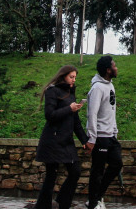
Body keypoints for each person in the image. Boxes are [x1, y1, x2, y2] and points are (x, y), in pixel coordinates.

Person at [31, 65, 89, 209]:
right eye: (71, 77)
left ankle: (62, 203)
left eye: (75, 77)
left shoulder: (70, 93)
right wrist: (69, 109)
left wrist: (84, 140)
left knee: (75, 171)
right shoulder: (52, 91)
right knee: (51, 176)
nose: (73, 80)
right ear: (63, 76)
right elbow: (49, 115)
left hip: (66, 141)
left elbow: (76, 121)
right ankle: (43, 206)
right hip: (53, 140)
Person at [85, 55, 122, 209]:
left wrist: (114, 130)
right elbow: (91, 114)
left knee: (117, 164)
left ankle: (97, 197)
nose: (116, 68)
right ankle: (93, 203)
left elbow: (110, 111)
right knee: (97, 171)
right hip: (99, 136)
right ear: (108, 70)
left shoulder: (110, 86)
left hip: (110, 136)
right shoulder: (97, 88)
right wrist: (92, 138)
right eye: (114, 66)